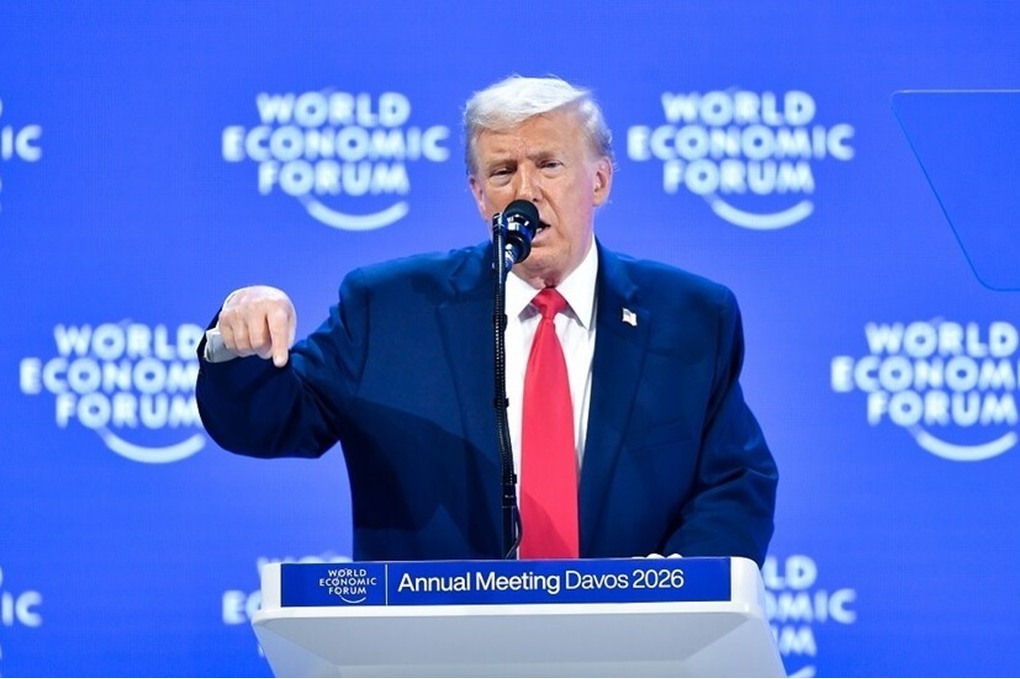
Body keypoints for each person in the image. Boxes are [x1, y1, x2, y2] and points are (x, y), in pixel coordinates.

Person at [196, 75, 778, 566]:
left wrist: (675, 592)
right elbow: (269, 423)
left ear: (600, 180)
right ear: (479, 196)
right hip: (436, 643)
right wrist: (239, 342)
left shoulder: (690, 317)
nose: (526, 192)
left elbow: (735, 482)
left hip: (632, 646)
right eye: (502, 173)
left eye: (549, 165)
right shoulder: (389, 309)